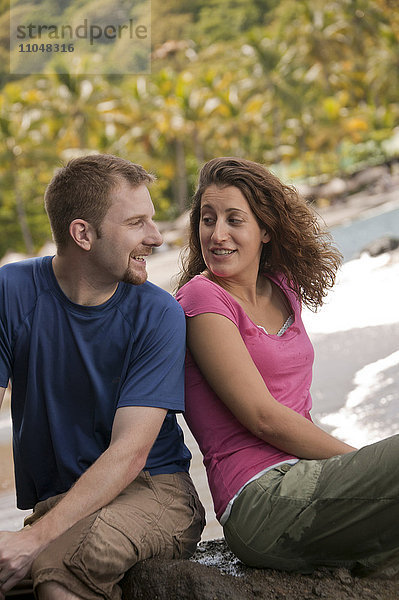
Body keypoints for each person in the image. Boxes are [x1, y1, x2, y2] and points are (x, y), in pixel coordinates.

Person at [176, 156, 399, 576]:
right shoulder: (202, 300)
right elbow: (265, 418)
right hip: (260, 502)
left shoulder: (282, 287)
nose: (217, 234)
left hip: (307, 483)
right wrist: (363, 466)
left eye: (233, 220)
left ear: (265, 229)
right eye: (207, 220)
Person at [0, 154, 205, 600]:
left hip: (155, 491)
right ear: (83, 234)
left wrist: (33, 539)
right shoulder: (10, 292)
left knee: (60, 572)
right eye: (137, 223)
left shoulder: (159, 314)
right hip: (61, 503)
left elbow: (130, 453)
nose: (156, 236)